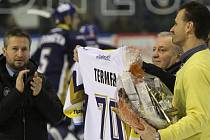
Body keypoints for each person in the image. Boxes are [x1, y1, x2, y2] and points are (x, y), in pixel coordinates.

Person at [137, 1, 210, 140]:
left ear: (189, 27)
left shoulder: (196, 67)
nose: (172, 29)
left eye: (176, 24)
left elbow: (198, 118)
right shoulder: (197, 62)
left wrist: (158, 136)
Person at [0, 28, 63, 140]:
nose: (20, 54)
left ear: (29, 52)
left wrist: (40, 94)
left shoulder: (40, 79)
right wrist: (17, 93)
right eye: (15, 49)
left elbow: (57, 117)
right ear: (4, 51)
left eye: (24, 49)